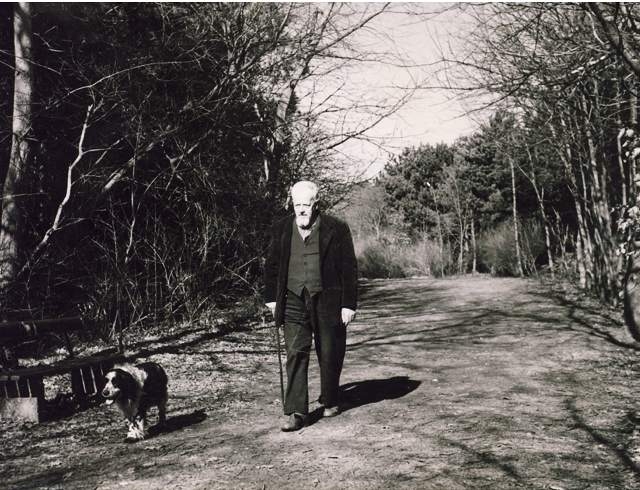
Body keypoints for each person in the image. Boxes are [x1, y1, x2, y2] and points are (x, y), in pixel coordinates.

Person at [263, 180, 358, 431]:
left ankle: (329, 399)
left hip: (328, 299)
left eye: (306, 204)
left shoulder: (336, 228)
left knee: (329, 352)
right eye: (297, 204)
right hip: (293, 298)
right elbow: (271, 266)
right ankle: (296, 411)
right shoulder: (281, 229)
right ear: (291, 204)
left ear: (316, 203)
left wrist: (348, 305)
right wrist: (272, 299)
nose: (301, 209)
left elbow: (349, 268)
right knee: (295, 352)